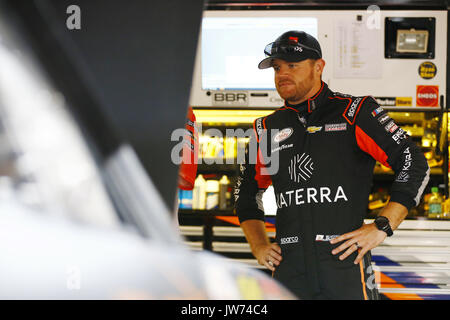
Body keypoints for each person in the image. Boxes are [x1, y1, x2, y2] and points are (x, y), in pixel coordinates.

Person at [234, 30, 430, 300]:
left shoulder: (355, 112)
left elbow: (413, 161)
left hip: (345, 266)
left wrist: (383, 225)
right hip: (289, 270)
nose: (282, 74)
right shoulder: (265, 128)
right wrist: (259, 246)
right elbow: (245, 193)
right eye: (277, 68)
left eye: (293, 65)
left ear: (318, 67)